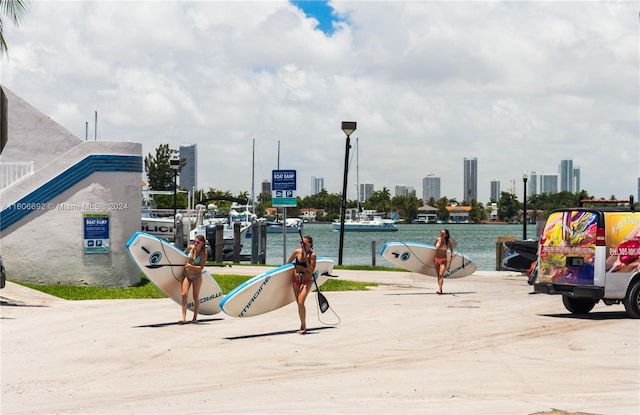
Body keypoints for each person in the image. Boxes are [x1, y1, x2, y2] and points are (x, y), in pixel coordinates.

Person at [286, 235, 317, 334]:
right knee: (299, 304)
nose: (302, 245)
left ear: (310, 245)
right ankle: (302, 325)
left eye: (304, 243)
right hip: (295, 280)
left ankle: (304, 326)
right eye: (301, 243)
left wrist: (307, 259)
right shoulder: (296, 252)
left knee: (300, 302)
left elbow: (311, 270)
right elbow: (287, 263)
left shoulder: (312, 255)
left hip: (306, 281)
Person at [180, 234, 208, 324]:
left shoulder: (204, 253)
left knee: (195, 296)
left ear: (202, 244)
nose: (195, 243)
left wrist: (190, 266)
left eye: (198, 242)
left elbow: (201, 267)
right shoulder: (191, 248)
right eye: (194, 242)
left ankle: (195, 317)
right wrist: (185, 252)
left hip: (197, 276)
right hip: (187, 275)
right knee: (184, 294)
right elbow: (183, 252)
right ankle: (183, 317)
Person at [434, 229, 454, 295]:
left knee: (441, 274)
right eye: (440, 232)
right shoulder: (437, 239)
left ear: (446, 235)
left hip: (443, 259)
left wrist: (452, 253)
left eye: (442, 232)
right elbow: (433, 246)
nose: (441, 233)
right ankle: (440, 289)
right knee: (438, 276)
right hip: (436, 259)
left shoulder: (447, 242)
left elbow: (451, 250)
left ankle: (439, 289)